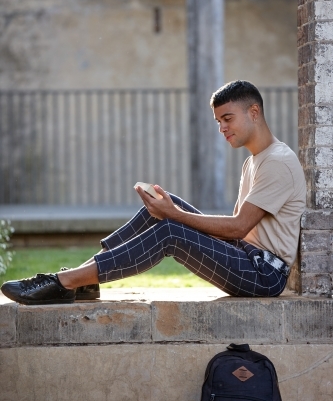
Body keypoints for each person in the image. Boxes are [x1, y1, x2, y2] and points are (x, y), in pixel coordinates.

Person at [1, 80, 306, 305]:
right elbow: (240, 232)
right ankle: (84, 279)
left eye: (228, 119)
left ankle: (62, 283)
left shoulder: (278, 162)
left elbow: (239, 226)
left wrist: (175, 215)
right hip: (246, 254)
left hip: (264, 274)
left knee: (171, 228)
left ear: (254, 112)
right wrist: (171, 210)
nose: (222, 128)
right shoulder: (256, 160)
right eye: (218, 122)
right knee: (160, 209)